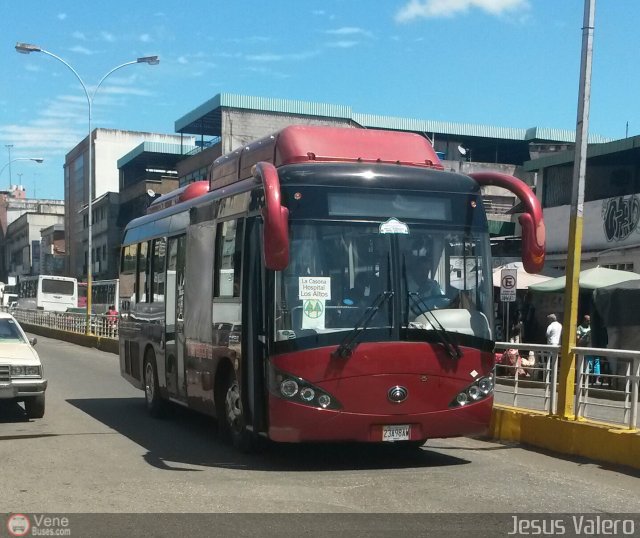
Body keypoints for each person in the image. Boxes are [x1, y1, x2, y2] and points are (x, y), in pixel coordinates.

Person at [577, 314, 600, 384]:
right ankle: (586, 379)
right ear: (584, 320)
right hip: (585, 347)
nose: (589, 322)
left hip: (593, 346)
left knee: (596, 361)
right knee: (589, 363)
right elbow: (577, 337)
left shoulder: (591, 327)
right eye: (587, 321)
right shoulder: (580, 327)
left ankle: (597, 379)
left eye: (590, 321)